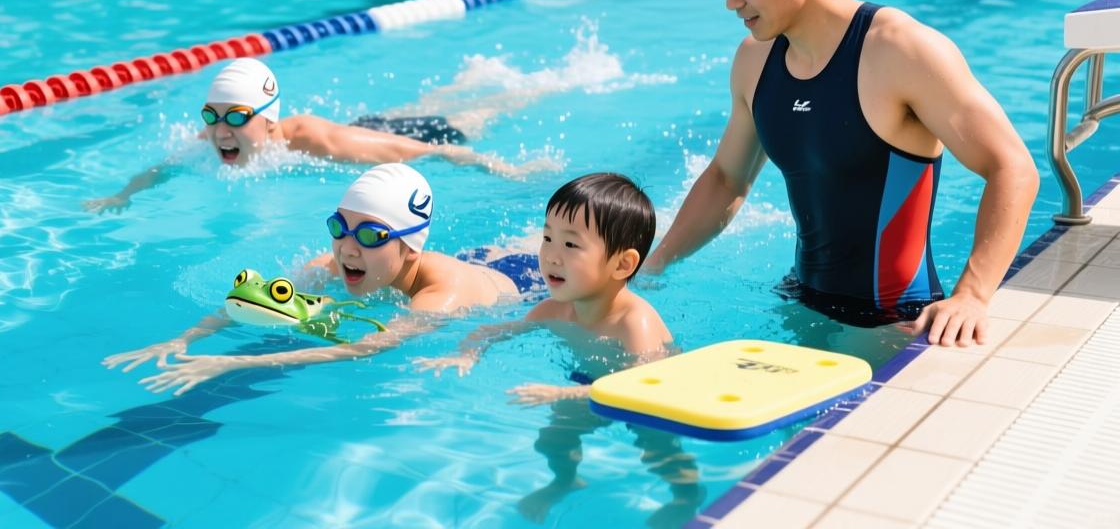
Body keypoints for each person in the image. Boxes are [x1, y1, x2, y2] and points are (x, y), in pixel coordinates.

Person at [644, 0, 1039, 348]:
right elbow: (727, 179)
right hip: (797, 305)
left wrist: (972, 295)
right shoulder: (755, 60)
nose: (731, 1)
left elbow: (1012, 166)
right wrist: (656, 263)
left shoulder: (899, 50)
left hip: (892, 324)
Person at [102, 163, 544, 395]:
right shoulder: (345, 259)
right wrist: (184, 339)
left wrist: (233, 363)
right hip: (477, 258)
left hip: (523, 282)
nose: (347, 247)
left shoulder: (441, 296)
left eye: (370, 235)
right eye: (339, 227)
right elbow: (260, 298)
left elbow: (362, 349)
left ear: (411, 246)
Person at [418, 174, 698, 526]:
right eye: (548, 237)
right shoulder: (554, 310)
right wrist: (466, 353)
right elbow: (493, 330)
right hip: (587, 387)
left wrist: (562, 393)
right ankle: (565, 480)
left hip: (647, 400)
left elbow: (641, 385)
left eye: (570, 245)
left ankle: (687, 495)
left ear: (622, 264)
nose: (550, 255)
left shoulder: (633, 322)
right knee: (553, 440)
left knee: (657, 449)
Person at [84, 57, 552, 213]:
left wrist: (500, 166)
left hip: (384, 137)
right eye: (212, 116)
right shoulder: (211, 136)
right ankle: (469, 78)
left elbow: (418, 151)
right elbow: (162, 169)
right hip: (365, 125)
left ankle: (534, 87)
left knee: (468, 117)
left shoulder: (311, 141)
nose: (220, 132)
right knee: (433, 101)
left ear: (269, 121)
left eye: (235, 117)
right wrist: (122, 195)